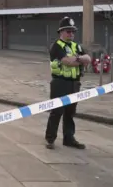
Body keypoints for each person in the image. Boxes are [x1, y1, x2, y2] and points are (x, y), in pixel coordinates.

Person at [45, 16, 91, 150]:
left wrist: (77, 58)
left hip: (74, 83)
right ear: (61, 32)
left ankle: (69, 138)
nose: (71, 34)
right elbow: (66, 62)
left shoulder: (76, 46)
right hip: (60, 83)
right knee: (56, 111)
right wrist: (79, 60)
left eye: (73, 31)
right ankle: (50, 139)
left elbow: (88, 58)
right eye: (68, 31)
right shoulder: (56, 46)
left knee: (70, 113)